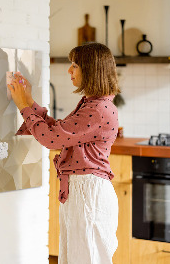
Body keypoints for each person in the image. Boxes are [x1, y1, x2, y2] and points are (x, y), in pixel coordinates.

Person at [7, 42, 121, 264]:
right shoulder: (93, 104)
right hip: (83, 192)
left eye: (75, 65)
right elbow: (59, 131)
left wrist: (23, 106)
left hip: (88, 194)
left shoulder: (97, 109)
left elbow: (51, 139)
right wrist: (29, 101)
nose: (69, 70)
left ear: (91, 70)